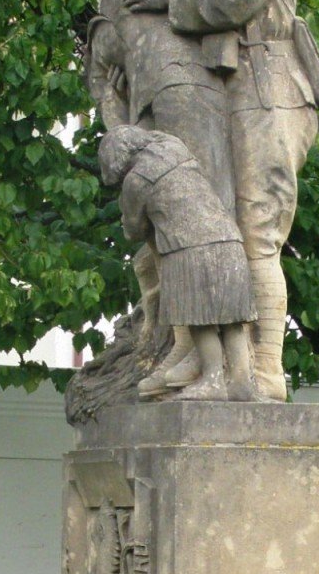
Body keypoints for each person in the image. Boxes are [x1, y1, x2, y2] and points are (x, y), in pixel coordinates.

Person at [119, 0, 319, 401]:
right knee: (203, 231)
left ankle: (264, 372)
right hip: (228, 82)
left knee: (255, 235)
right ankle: (193, 357)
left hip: (271, 87)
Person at [84, 0, 234, 394]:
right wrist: (115, 102)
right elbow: (123, 142)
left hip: (205, 244)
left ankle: (220, 368)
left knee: (183, 259)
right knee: (166, 259)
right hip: (205, 244)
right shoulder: (140, 93)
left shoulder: (166, 62)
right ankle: (208, 362)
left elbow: (138, 210)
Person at [98, 125, 257, 402]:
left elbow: (133, 229)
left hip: (187, 247)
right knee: (232, 319)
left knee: (199, 318)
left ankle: (212, 380)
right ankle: (241, 381)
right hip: (229, 240)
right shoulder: (173, 147)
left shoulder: (136, 181)